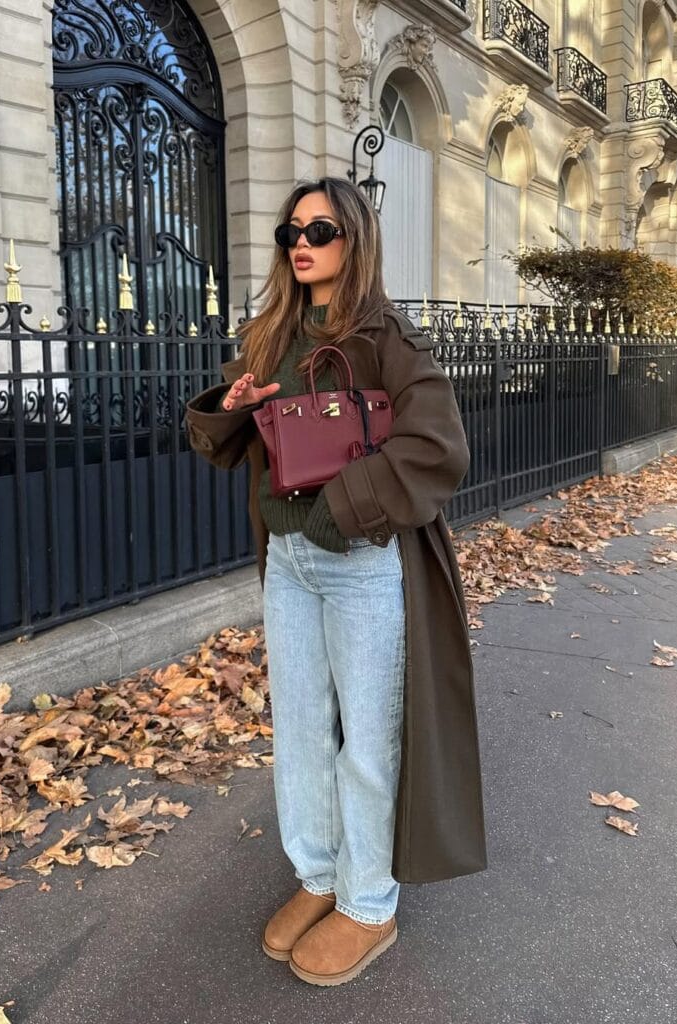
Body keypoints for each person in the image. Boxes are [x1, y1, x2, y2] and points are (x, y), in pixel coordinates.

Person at [185, 177, 486, 987]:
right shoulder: (272, 333)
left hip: (358, 565)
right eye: (291, 232)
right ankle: (318, 875)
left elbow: (436, 447)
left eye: (319, 227)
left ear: (354, 235)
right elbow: (227, 438)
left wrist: (335, 515)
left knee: (367, 739)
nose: (302, 242)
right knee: (304, 732)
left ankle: (366, 899)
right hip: (288, 567)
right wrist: (234, 403)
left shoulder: (385, 334)